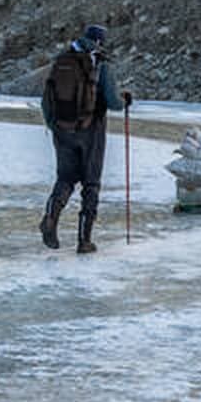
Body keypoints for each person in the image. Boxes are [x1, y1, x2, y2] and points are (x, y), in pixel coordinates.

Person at [40, 24, 128, 253]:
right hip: (92, 130)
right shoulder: (99, 62)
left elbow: (46, 99)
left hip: (62, 130)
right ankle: (84, 239)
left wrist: (55, 126)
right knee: (91, 183)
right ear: (100, 41)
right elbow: (114, 102)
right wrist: (125, 100)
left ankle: (50, 218)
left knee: (65, 178)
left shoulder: (62, 59)